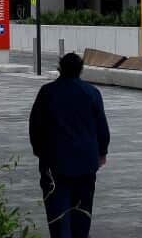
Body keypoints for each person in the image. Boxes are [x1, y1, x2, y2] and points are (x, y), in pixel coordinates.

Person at [29, 52, 110, 238]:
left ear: (60, 68)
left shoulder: (47, 92)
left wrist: (39, 150)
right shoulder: (92, 93)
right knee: (82, 212)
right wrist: (102, 152)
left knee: (58, 214)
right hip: (86, 163)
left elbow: (35, 125)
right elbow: (102, 127)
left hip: (55, 164)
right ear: (81, 69)